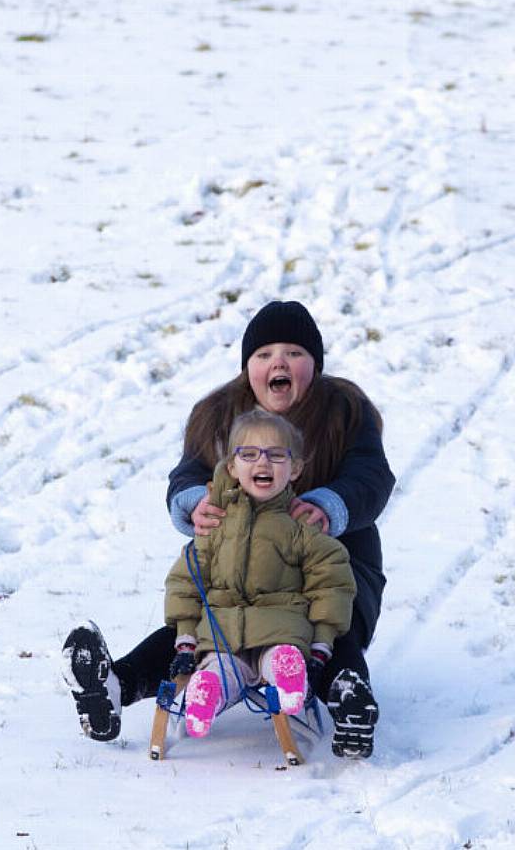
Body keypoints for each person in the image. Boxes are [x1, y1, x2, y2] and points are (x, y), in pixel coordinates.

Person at [64, 299, 395, 758]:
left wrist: (329, 504)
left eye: (294, 353)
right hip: (245, 572)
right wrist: (194, 500)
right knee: (203, 624)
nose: (278, 362)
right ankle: (113, 688)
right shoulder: (218, 415)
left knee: (329, 613)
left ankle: (349, 696)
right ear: (247, 368)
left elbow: (372, 476)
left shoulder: (344, 411)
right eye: (264, 355)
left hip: (335, 557)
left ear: (314, 365)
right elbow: (187, 473)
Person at [163, 409, 357, 739]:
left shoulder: (301, 528)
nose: (262, 463)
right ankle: (205, 694)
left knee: (280, 656)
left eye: (276, 455)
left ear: (295, 468)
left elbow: (332, 584)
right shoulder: (215, 525)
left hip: (282, 629)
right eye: (249, 454)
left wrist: (322, 645)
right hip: (222, 635)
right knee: (221, 668)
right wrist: (185, 639)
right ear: (232, 468)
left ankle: (288, 677)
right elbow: (187, 579)